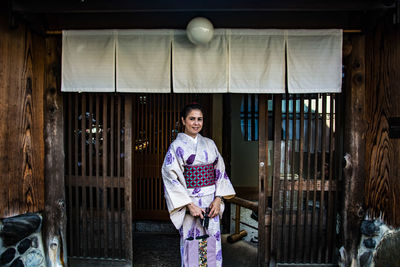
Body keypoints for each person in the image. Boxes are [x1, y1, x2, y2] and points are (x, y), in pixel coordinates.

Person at [162, 103, 235, 267]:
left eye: (199, 119)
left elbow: (220, 171)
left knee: (211, 243)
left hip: (211, 203)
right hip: (191, 204)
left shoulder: (210, 144)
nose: (196, 123)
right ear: (183, 120)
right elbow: (170, 177)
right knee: (193, 244)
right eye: (192, 119)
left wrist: (218, 199)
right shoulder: (176, 147)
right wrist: (189, 205)